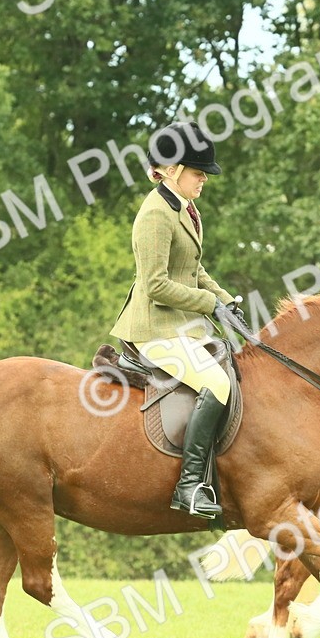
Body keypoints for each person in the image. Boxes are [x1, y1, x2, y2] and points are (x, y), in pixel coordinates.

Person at [109, 122, 246, 519]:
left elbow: (193, 270)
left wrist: (226, 301)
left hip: (182, 324)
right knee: (217, 382)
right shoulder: (155, 214)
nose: (204, 178)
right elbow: (155, 285)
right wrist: (208, 304)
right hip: (154, 328)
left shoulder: (184, 206)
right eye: (197, 171)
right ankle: (189, 486)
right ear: (170, 169)